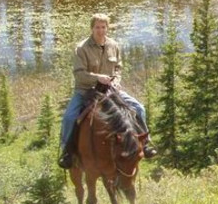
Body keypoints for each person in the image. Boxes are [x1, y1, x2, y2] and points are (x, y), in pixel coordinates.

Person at [58, 13, 157, 169]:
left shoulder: (114, 45)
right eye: (97, 27)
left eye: (103, 27)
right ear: (92, 28)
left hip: (110, 90)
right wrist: (98, 77)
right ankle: (67, 152)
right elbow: (79, 74)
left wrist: (116, 81)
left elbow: (118, 67)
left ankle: (144, 143)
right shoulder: (81, 48)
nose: (100, 30)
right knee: (69, 117)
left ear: (107, 28)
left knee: (139, 108)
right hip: (86, 91)